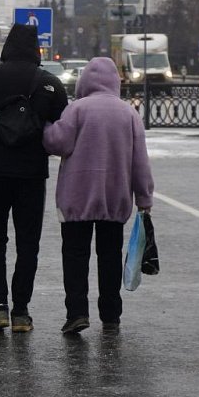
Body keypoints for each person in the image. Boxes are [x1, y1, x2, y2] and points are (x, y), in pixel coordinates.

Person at [0, 24, 68, 333]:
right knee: (28, 243)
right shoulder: (48, 83)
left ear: (7, 46)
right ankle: (21, 311)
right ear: (36, 49)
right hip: (32, 174)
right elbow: (63, 129)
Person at [43, 57, 154, 335]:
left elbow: (58, 143)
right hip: (114, 200)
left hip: (76, 199)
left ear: (85, 82)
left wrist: (45, 127)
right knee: (109, 257)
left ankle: (77, 312)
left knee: (75, 256)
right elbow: (140, 161)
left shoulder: (77, 109)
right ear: (115, 81)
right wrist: (144, 198)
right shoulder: (128, 114)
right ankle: (111, 313)